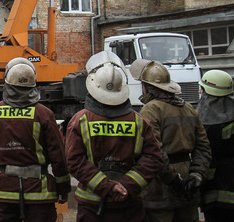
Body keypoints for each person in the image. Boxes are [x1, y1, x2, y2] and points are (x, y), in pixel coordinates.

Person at [66, 51, 164, 222]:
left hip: (92, 206)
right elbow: (153, 159)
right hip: (129, 204)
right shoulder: (139, 121)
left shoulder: (80, 120)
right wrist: (127, 185)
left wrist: (106, 186)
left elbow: (74, 161)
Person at [0, 58, 70, 222]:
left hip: (4, 192)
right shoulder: (44, 114)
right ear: (33, 84)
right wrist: (63, 187)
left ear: (7, 83)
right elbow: (58, 155)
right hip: (39, 194)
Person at [131, 59, 211, 222]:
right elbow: (203, 148)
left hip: (160, 187)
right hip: (188, 181)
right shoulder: (189, 108)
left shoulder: (150, 110)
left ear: (149, 88)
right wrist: (196, 175)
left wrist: (174, 181)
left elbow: (154, 152)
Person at [196, 70, 234, 222]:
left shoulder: (211, 122)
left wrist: (202, 179)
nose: (200, 92)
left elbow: (208, 156)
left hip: (216, 185)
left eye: (202, 88)